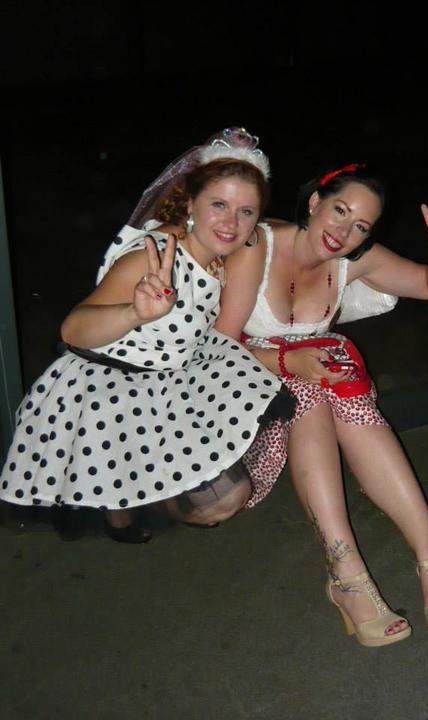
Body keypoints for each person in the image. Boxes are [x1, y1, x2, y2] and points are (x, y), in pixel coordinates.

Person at [215, 162, 428, 646]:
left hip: (309, 375)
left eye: (361, 226)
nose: (344, 232)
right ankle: (346, 574)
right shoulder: (257, 247)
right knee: (310, 392)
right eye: (340, 211)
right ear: (315, 203)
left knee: (348, 397)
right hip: (242, 383)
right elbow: (221, 345)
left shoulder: (355, 259)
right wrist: (288, 360)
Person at [0, 127, 291, 543]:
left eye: (246, 211)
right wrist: (133, 312)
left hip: (162, 382)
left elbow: (279, 234)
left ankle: (128, 498)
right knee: (218, 501)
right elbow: (73, 329)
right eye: (219, 205)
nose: (231, 222)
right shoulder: (154, 254)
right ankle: (120, 503)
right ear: (190, 203)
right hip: (105, 390)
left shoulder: (220, 257)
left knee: (224, 498)